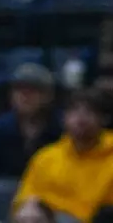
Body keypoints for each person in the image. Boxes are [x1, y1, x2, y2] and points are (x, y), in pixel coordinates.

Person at [12, 91, 113, 223]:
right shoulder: (46, 157)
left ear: (103, 119)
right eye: (74, 111)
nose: (81, 118)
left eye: (89, 112)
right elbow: (25, 199)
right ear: (64, 118)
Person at [0, 63, 63, 180]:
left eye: (32, 90)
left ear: (48, 95)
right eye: (19, 90)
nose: (24, 96)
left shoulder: (61, 127)